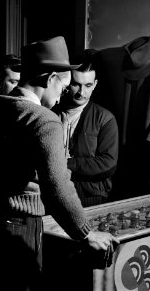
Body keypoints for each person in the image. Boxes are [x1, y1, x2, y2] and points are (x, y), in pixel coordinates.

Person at [0, 36, 119, 291]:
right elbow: (58, 187)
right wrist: (87, 233)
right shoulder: (43, 120)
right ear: (49, 79)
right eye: (64, 86)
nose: (63, 96)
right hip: (14, 238)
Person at [54, 51, 119, 207]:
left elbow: (108, 163)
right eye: (76, 84)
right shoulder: (51, 112)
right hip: (54, 194)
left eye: (88, 85)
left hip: (89, 197)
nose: (81, 92)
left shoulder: (105, 118)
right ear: (67, 81)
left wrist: (67, 164)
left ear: (95, 84)